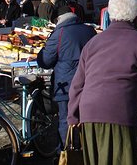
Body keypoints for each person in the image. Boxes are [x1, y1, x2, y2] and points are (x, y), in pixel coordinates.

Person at [67, 0, 137, 165]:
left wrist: (73, 117)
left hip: (89, 114)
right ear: (135, 14)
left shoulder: (93, 43)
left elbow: (77, 85)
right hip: (121, 113)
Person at [36, 10, 97, 146]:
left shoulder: (59, 33)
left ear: (59, 19)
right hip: (91, 81)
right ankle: (90, 149)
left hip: (67, 83)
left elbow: (46, 61)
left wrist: (40, 53)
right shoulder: (89, 30)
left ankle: (69, 152)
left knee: (66, 120)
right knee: (89, 118)